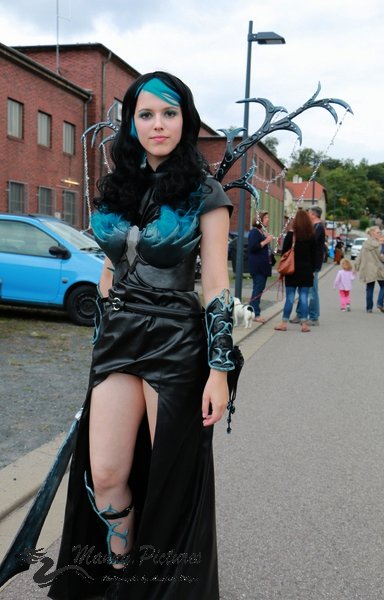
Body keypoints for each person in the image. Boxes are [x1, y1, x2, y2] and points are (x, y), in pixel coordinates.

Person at [48, 71, 235, 600]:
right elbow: (109, 270)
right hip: (119, 337)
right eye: (146, 114)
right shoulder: (118, 188)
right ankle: (120, 572)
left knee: (171, 484)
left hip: (175, 341)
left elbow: (215, 284)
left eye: (169, 113)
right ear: (131, 123)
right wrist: (101, 336)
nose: (158, 124)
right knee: (106, 473)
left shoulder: (206, 193)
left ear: (186, 121)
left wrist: (220, 369)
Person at [274, 209, 317, 332]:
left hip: (291, 270)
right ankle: (304, 324)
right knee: (304, 297)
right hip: (306, 271)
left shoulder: (291, 235)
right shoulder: (311, 236)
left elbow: (284, 253)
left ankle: (284, 323)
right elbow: (314, 255)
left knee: (290, 297)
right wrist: (313, 270)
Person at [290, 205, 325, 326]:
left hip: (313, 265)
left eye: (308, 213)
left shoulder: (318, 228)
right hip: (307, 264)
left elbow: (310, 243)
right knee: (303, 289)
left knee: (311, 291)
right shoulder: (313, 227)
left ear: (313, 215)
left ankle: (314, 317)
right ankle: (300, 314)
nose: (307, 215)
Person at [247, 211, 274, 323]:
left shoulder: (262, 232)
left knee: (258, 289)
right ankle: (255, 314)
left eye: (268, 217)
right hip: (258, 267)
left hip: (264, 266)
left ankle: (251, 312)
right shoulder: (255, 232)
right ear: (260, 220)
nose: (268, 219)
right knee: (258, 290)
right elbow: (252, 247)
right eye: (266, 217)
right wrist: (266, 241)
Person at [355, 225, 384, 313]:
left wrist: (356, 266)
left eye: (380, 232)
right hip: (378, 268)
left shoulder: (365, 244)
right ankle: (380, 303)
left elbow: (360, 256)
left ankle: (369, 308)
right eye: (378, 232)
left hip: (368, 270)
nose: (379, 233)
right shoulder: (379, 245)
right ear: (372, 233)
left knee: (369, 288)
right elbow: (382, 257)